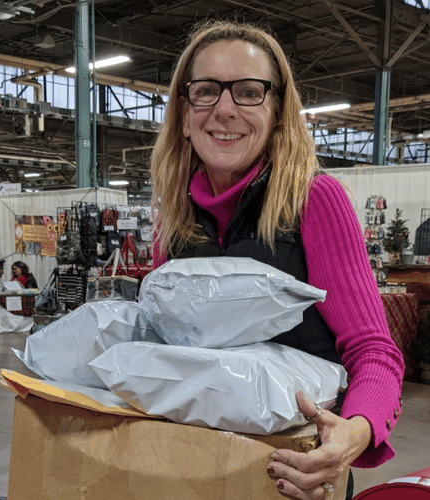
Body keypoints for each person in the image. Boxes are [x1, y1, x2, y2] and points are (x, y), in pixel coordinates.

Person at [149, 20, 404, 500]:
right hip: (185, 466)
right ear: (183, 114)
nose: (224, 109)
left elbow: (375, 351)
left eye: (248, 92)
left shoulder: (314, 200)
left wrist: (354, 433)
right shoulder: (174, 215)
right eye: (206, 91)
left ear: (279, 113)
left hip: (296, 477)